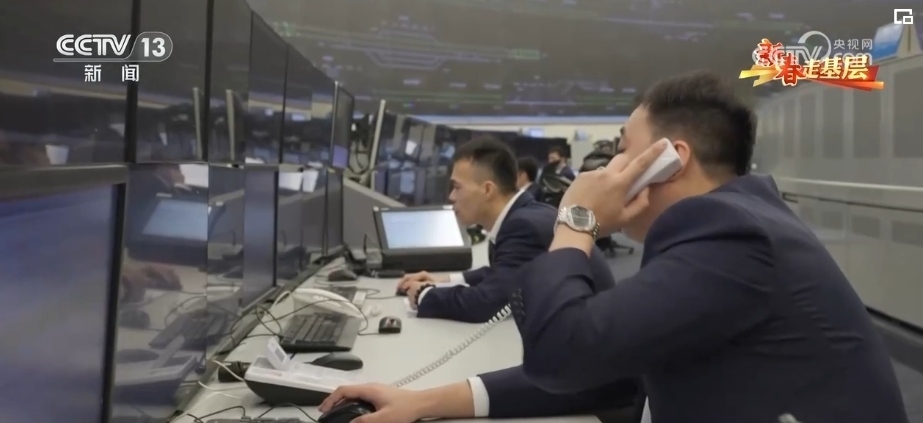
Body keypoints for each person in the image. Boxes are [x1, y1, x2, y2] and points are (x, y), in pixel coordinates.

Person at [320, 71, 908, 423]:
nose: (607, 165)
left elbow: (564, 355)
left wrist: (575, 221)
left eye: (623, 149)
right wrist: (423, 402)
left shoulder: (731, 232)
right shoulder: (729, 222)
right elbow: (617, 372)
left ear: (670, 161)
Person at [396, 136, 613, 324]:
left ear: (487, 190)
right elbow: (502, 275)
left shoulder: (522, 227)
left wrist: (424, 294)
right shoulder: (526, 213)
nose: (451, 196)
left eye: (457, 187)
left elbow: (487, 303)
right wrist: (444, 280)